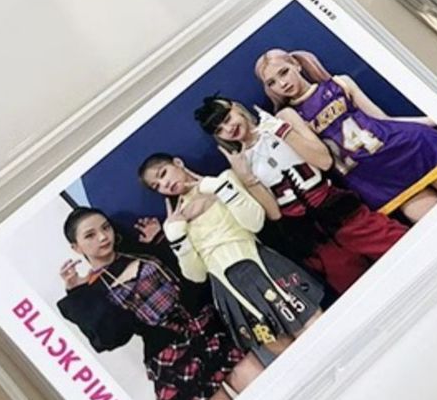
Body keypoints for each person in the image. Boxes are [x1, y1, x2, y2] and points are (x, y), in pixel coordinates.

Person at [55, 206, 261, 400]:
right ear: (76, 247)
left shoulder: (140, 251)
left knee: (264, 392)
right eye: (90, 235)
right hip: (172, 358)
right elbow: (110, 338)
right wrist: (77, 294)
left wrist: (159, 241)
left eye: (105, 228)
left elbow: (190, 278)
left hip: (209, 330)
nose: (103, 237)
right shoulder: (91, 290)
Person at [194, 94, 406, 294]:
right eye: (219, 129)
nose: (228, 128)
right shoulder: (239, 163)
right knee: (357, 289)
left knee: (401, 246)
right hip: (309, 236)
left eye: (227, 119)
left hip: (338, 208)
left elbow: (324, 161)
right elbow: (275, 214)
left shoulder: (281, 120)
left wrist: (283, 131)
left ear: (237, 108)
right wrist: (247, 178)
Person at [138, 154, 326, 362]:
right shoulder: (174, 222)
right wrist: (178, 240)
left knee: (317, 328)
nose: (165, 184)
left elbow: (255, 222)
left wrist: (221, 189)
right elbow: (197, 276)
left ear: (178, 163)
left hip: (262, 265)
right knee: (291, 357)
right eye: (157, 186)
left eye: (163, 173)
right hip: (230, 289)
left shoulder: (224, 179)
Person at [254, 51, 437, 221]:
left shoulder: (340, 83)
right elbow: (323, 161)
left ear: (296, 64)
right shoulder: (289, 116)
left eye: (283, 72)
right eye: (271, 82)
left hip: (409, 147)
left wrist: (434, 120)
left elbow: (382, 119)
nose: (282, 84)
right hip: (375, 177)